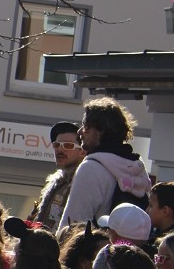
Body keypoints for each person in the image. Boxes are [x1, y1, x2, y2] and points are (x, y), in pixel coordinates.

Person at [59, 98, 151, 230]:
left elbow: (72, 223)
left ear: (101, 130)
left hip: (99, 248)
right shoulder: (135, 166)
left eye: (86, 126)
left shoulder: (92, 168)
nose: (79, 132)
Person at [31, 121, 86, 230]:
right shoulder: (55, 183)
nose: (60, 149)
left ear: (82, 152)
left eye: (68, 145)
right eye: (57, 145)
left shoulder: (81, 182)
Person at [148, 182, 174, 247]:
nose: (146, 210)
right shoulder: (153, 233)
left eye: (150, 206)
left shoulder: (168, 246)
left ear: (165, 211)